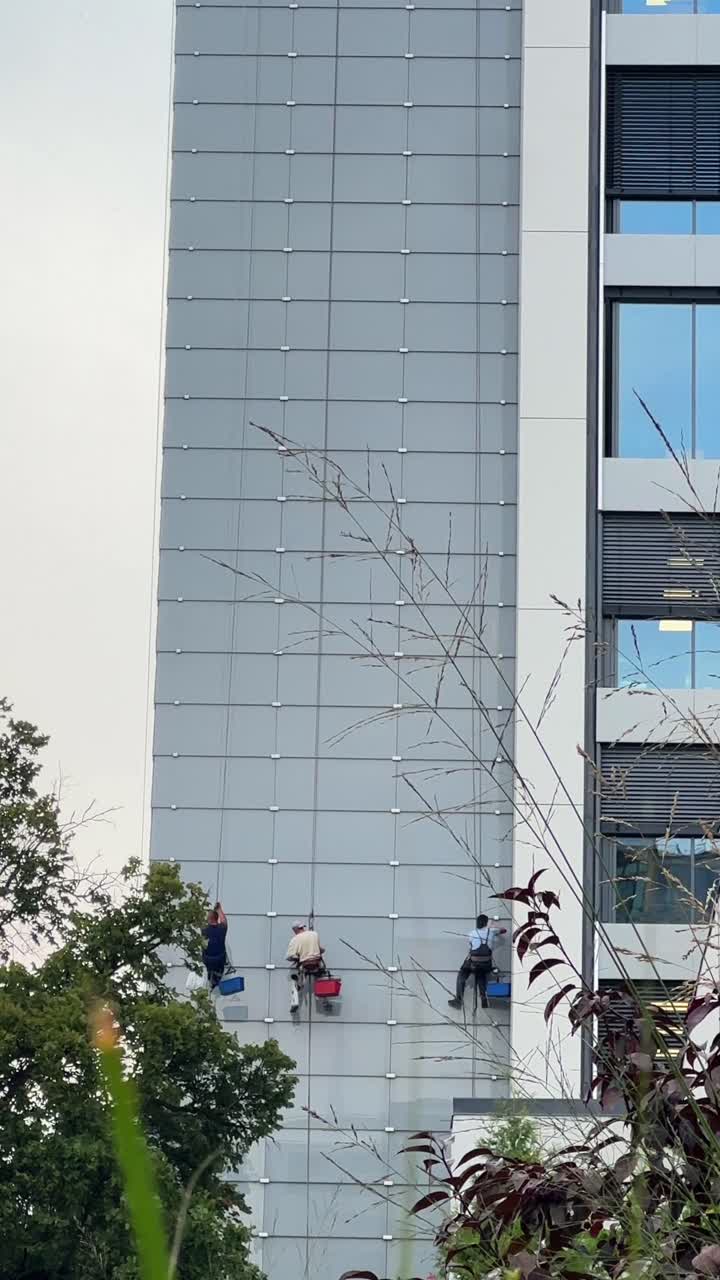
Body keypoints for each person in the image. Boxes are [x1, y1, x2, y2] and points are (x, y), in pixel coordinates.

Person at [448, 914, 507, 1011]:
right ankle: (484, 1000)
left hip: (474, 963)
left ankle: (458, 1000)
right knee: (481, 974)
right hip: (486, 964)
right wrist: (492, 927)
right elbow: (504, 930)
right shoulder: (492, 931)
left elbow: (471, 948)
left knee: (461, 975)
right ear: (486, 923)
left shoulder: (472, 933)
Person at [201, 901, 228, 990]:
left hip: (208, 959)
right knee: (217, 972)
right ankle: (214, 982)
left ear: (209, 919)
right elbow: (224, 920)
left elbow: (199, 920)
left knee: (212, 972)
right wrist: (219, 909)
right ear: (216, 918)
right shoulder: (222, 928)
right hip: (220, 959)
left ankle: (212, 982)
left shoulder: (204, 930)